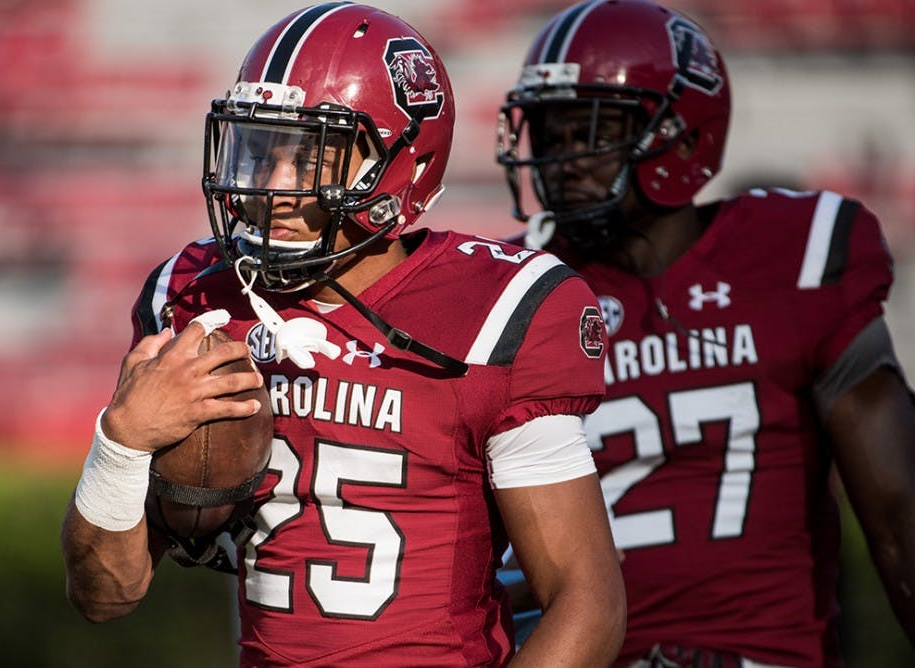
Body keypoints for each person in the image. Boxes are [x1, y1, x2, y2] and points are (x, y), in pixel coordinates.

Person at [60, 3, 626, 666]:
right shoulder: (193, 301)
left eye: (309, 158)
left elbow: (586, 602)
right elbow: (103, 595)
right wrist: (121, 444)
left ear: (401, 164)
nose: (270, 188)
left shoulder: (493, 310)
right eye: (259, 150)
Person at [495, 0, 915, 666]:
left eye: (591, 131)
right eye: (550, 135)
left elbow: (899, 514)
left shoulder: (794, 258)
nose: (564, 161)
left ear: (684, 139)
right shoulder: (512, 288)